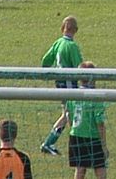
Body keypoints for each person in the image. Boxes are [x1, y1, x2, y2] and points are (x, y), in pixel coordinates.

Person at [38, 17, 84, 155]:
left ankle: (51, 142)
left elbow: (46, 60)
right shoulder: (72, 46)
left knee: (68, 113)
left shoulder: (58, 43)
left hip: (59, 82)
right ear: (75, 30)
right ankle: (56, 143)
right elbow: (79, 67)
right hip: (69, 82)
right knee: (70, 112)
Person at [66, 67, 109, 179]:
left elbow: (69, 117)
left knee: (80, 169)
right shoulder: (96, 97)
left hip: (75, 135)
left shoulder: (73, 95)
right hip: (92, 137)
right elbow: (100, 123)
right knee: (100, 170)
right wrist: (104, 145)